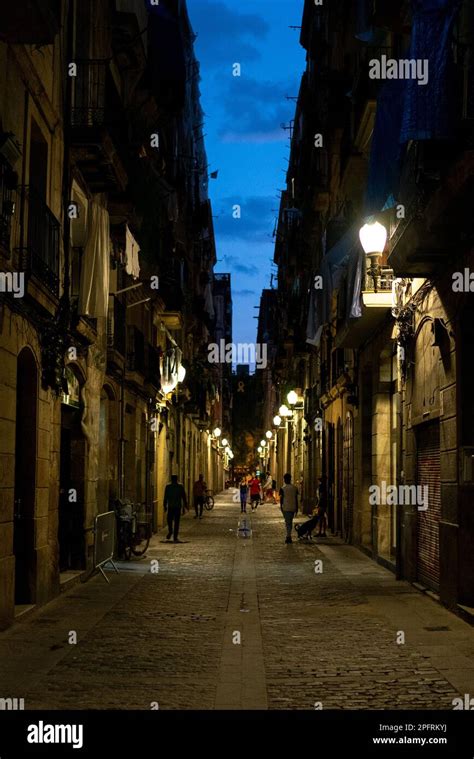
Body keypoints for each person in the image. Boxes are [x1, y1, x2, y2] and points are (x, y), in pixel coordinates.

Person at [163, 474, 188, 543]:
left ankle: (171, 531)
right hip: (177, 507)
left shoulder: (168, 487)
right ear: (177, 479)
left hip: (171, 506)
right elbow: (184, 497)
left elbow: (165, 497)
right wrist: (185, 505)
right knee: (176, 522)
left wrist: (164, 506)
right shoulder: (180, 487)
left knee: (169, 520)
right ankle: (174, 536)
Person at [279, 472, 299, 544]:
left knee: (288, 522)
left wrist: (281, 507)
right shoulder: (295, 488)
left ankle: (288, 536)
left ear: (284, 480)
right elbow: (296, 498)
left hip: (286, 507)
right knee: (289, 521)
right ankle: (288, 535)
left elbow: (281, 499)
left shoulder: (282, 488)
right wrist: (296, 507)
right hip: (293, 507)